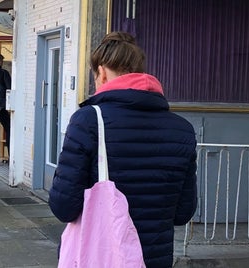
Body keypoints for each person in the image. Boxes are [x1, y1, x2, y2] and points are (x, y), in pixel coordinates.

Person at [48, 32, 197, 267]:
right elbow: (183, 212)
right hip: (154, 259)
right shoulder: (183, 129)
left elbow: (63, 207)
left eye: (95, 75)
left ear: (103, 71)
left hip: (101, 258)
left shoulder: (88, 121)